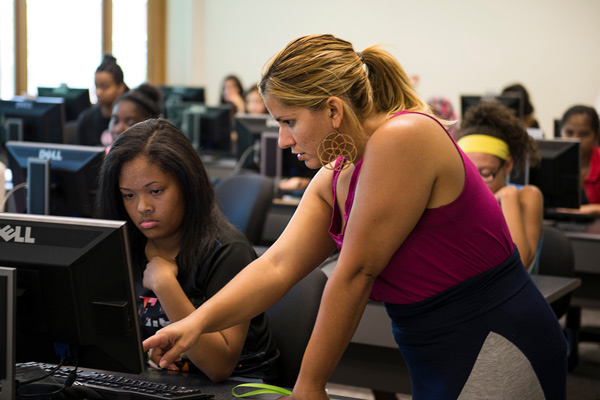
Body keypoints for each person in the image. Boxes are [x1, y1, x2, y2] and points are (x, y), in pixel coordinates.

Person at [142, 34, 567, 400]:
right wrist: (195, 324)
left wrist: (310, 383)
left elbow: (356, 272)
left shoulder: (405, 137)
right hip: (436, 349)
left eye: (289, 121)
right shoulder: (338, 173)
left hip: (495, 340)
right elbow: (276, 266)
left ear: (332, 110)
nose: (284, 140)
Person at [96, 118, 279, 382]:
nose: (142, 207)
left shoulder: (228, 252)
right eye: (128, 195)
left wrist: (165, 285)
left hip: (236, 387)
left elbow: (219, 367)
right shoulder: (124, 244)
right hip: (155, 380)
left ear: (187, 185)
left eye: (156, 191)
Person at [456, 102, 544, 271]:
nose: (478, 184)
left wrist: (508, 197)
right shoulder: (460, 199)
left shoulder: (527, 196)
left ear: (507, 165)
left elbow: (521, 264)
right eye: (470, 174)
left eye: (486, 173)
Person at [76, 54, 128, 146]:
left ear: (120, 87)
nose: (98, 93)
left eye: (105, 87)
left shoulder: (128, 122)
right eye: (96, 86)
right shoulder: (86, 119)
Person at [559, 104, 600, 216]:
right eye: (569, 133)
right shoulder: (551, 161)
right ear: (560, 132)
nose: (576, 139)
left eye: (584, 134)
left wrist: (592, 209)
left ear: (596, 136)